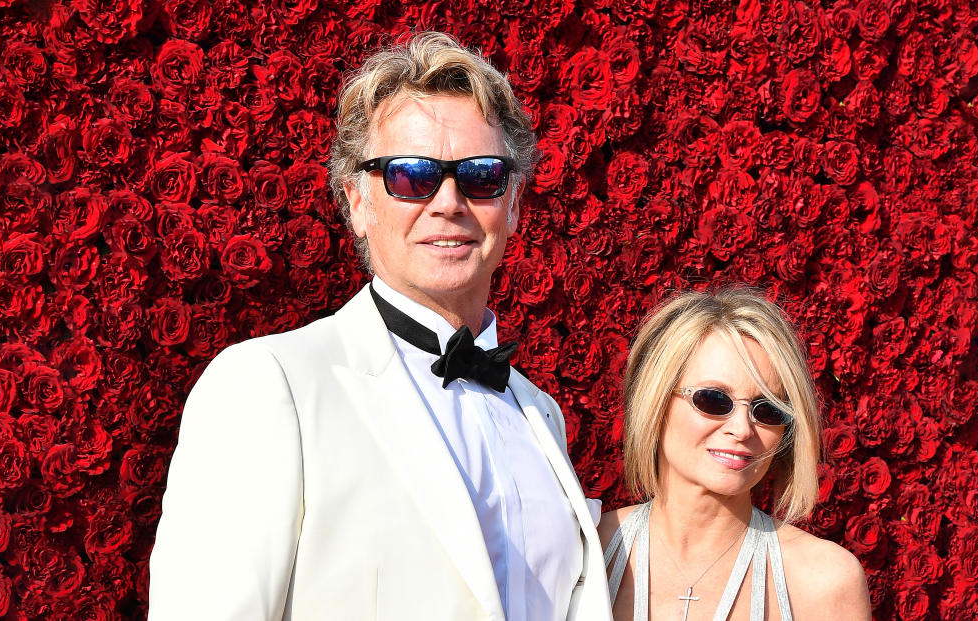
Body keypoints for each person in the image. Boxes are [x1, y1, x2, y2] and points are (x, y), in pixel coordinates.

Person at [148, 32, 610, 620]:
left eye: (481, 175)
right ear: (358, 202)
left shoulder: (539, 413)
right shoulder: (269, 384)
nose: (448, 201)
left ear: (514, 203)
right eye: (411, 175)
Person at [598, 289, 870, 620]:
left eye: (768, 409)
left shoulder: (825, 581)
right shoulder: (586, 551)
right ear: (656, 401)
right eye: (713, 399)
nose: (742, 429)